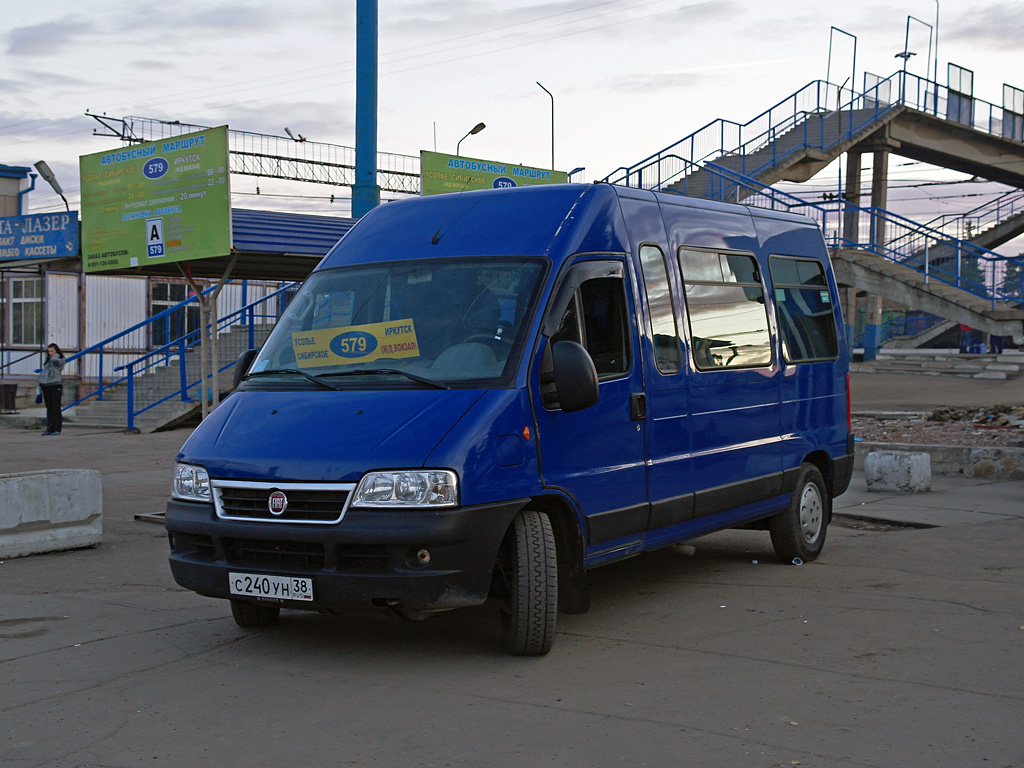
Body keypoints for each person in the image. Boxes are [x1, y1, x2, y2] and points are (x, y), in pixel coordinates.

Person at [38, 343, 65, 436]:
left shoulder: (59, 360)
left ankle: (57, 428)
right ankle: (50, 428)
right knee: (49, 407)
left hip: (55, 385)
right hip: (46, 385)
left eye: (52, 351)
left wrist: (55, 356)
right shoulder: (48, 362)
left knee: (55, 407)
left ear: (56, 351)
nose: (50, 353)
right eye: (49, 351)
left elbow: (58, 363)